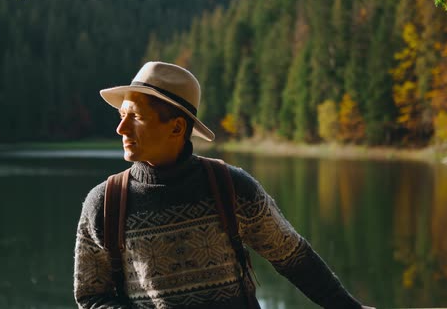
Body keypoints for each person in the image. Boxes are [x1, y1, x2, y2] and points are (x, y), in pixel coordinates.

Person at [73, 61, 374, 309]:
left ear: (177, 127)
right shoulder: (104, 203)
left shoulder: (231, 187)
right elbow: (91, 297)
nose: (120, 128)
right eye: (121, 115)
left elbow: (293, 258)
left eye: (135, 117)